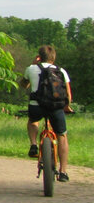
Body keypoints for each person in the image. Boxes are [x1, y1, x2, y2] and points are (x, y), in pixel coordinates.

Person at [24, 44, 73, 181]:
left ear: (39, 57)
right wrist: (66, 106)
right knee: (62, 136)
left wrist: (33, 64)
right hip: (55, 108)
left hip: (36, 106)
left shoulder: (31, 68)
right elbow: (68, 94)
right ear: (53, 57)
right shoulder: (61, 71)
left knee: (33, 121)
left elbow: (24, 85)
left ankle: (33, 144)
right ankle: (63, 172)